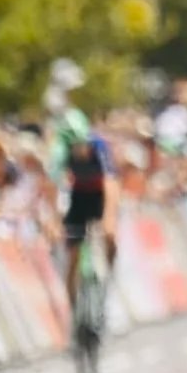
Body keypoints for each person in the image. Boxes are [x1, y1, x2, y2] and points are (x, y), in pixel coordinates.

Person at [49, 106, 120, 318]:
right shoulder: (61, 151)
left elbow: (110, 184)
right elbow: (53, 186)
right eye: (75, 146)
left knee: (110, 236)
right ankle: (73, 310)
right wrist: (54, 221)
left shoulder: (98, 146)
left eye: (83, 144)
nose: (81, 150)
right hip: (78, 197)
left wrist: (109, 219)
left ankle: (109, 278)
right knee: (73, 255)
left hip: (100, 195)